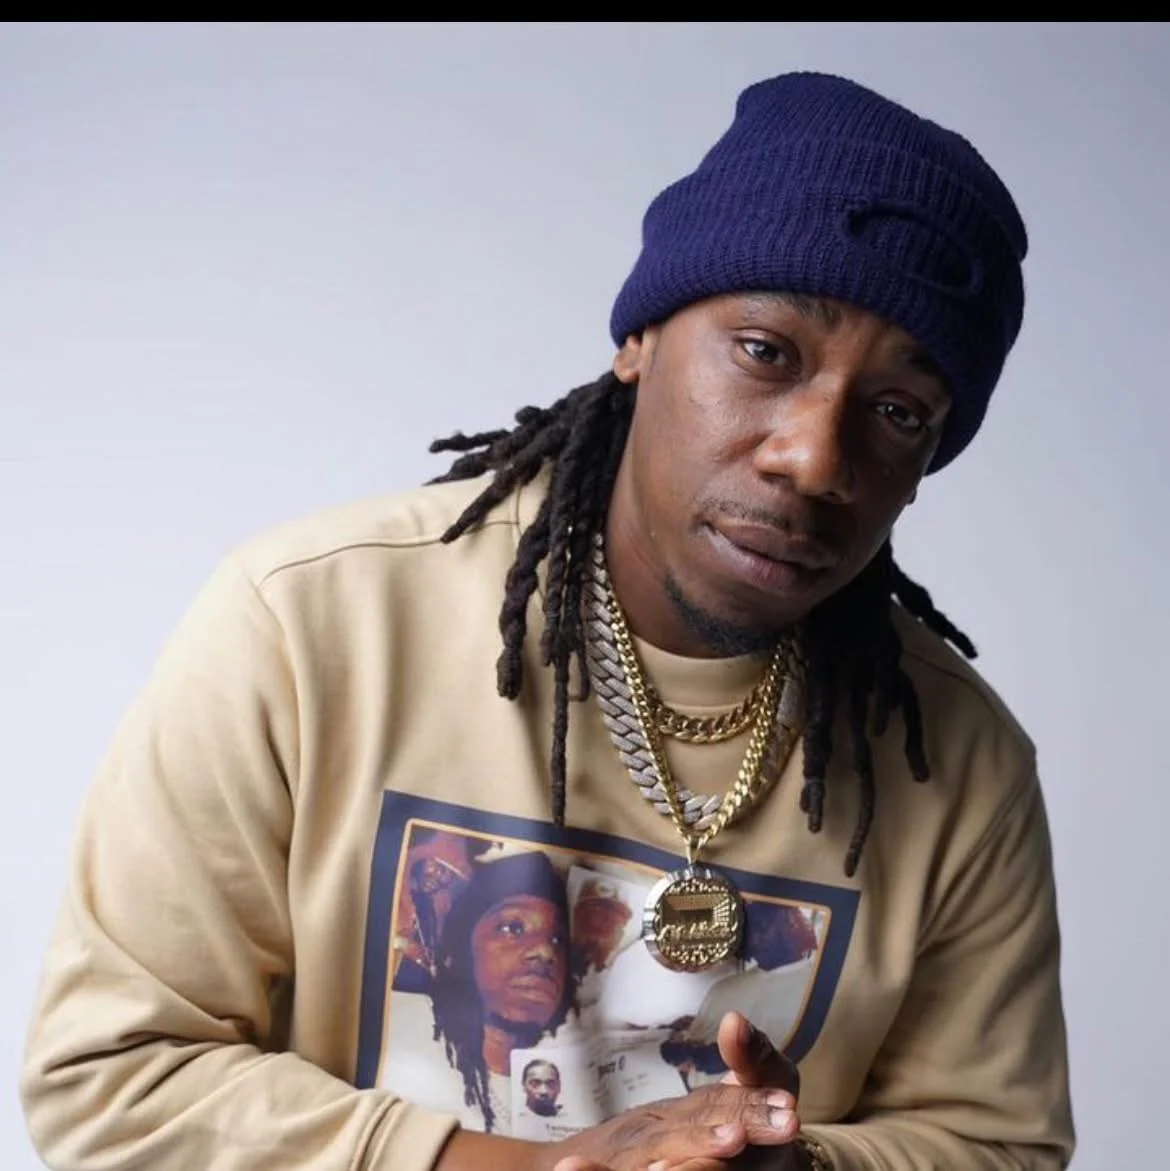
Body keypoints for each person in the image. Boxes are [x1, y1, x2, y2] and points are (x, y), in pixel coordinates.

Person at [20, 71, 1075, 1171]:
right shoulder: (314, 622)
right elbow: (113, 1076)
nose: (813, 456)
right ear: (642, 337)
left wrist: (793, 1166)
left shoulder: (958, 762)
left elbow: (996, 1145)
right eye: (766, 351)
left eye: (898, 411)